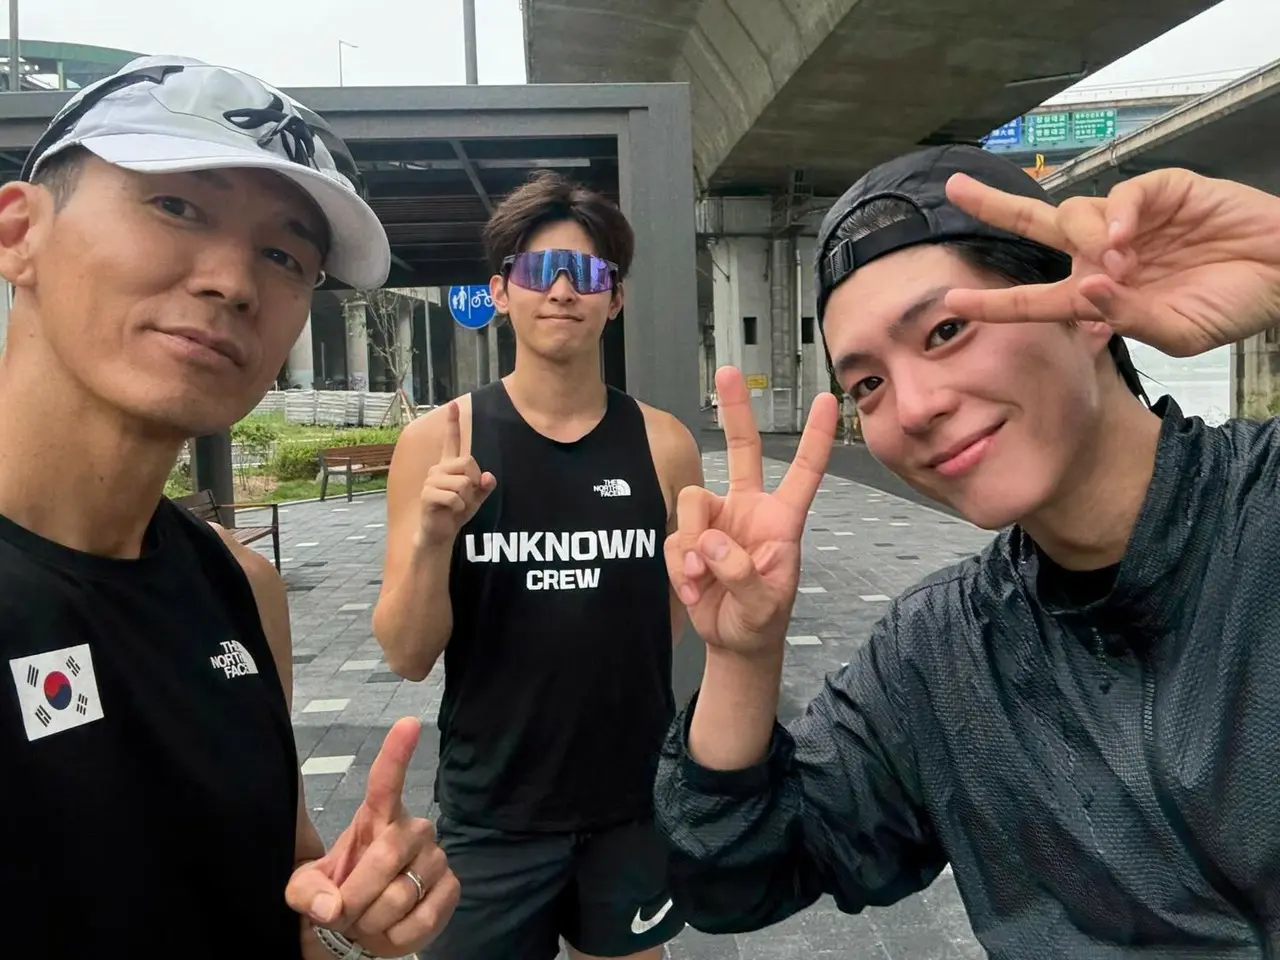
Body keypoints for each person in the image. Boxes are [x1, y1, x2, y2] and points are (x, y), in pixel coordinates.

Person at [653, 142, 1280, 957]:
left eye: (946, 331)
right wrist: (743, 655)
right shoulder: (943, 657)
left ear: (1088, 309)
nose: (913, 407)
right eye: (867, 384)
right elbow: (735, 875)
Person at [0, 55, 459, 958]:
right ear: (20, 232)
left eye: (285, 256)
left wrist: (351, 919)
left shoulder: (240, 588)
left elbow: (290, 888)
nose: (233, 282)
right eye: (177, 205)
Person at [373, 171, 704, 960]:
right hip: (492, 813)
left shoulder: (664, 444)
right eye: (538, 270)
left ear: (614, 298)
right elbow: (407, 654)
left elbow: (660, 622)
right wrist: (433, 538)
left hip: (629, 805)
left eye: (586, 273)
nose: (562, 290)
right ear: (500, 291)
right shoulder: (438, 442)